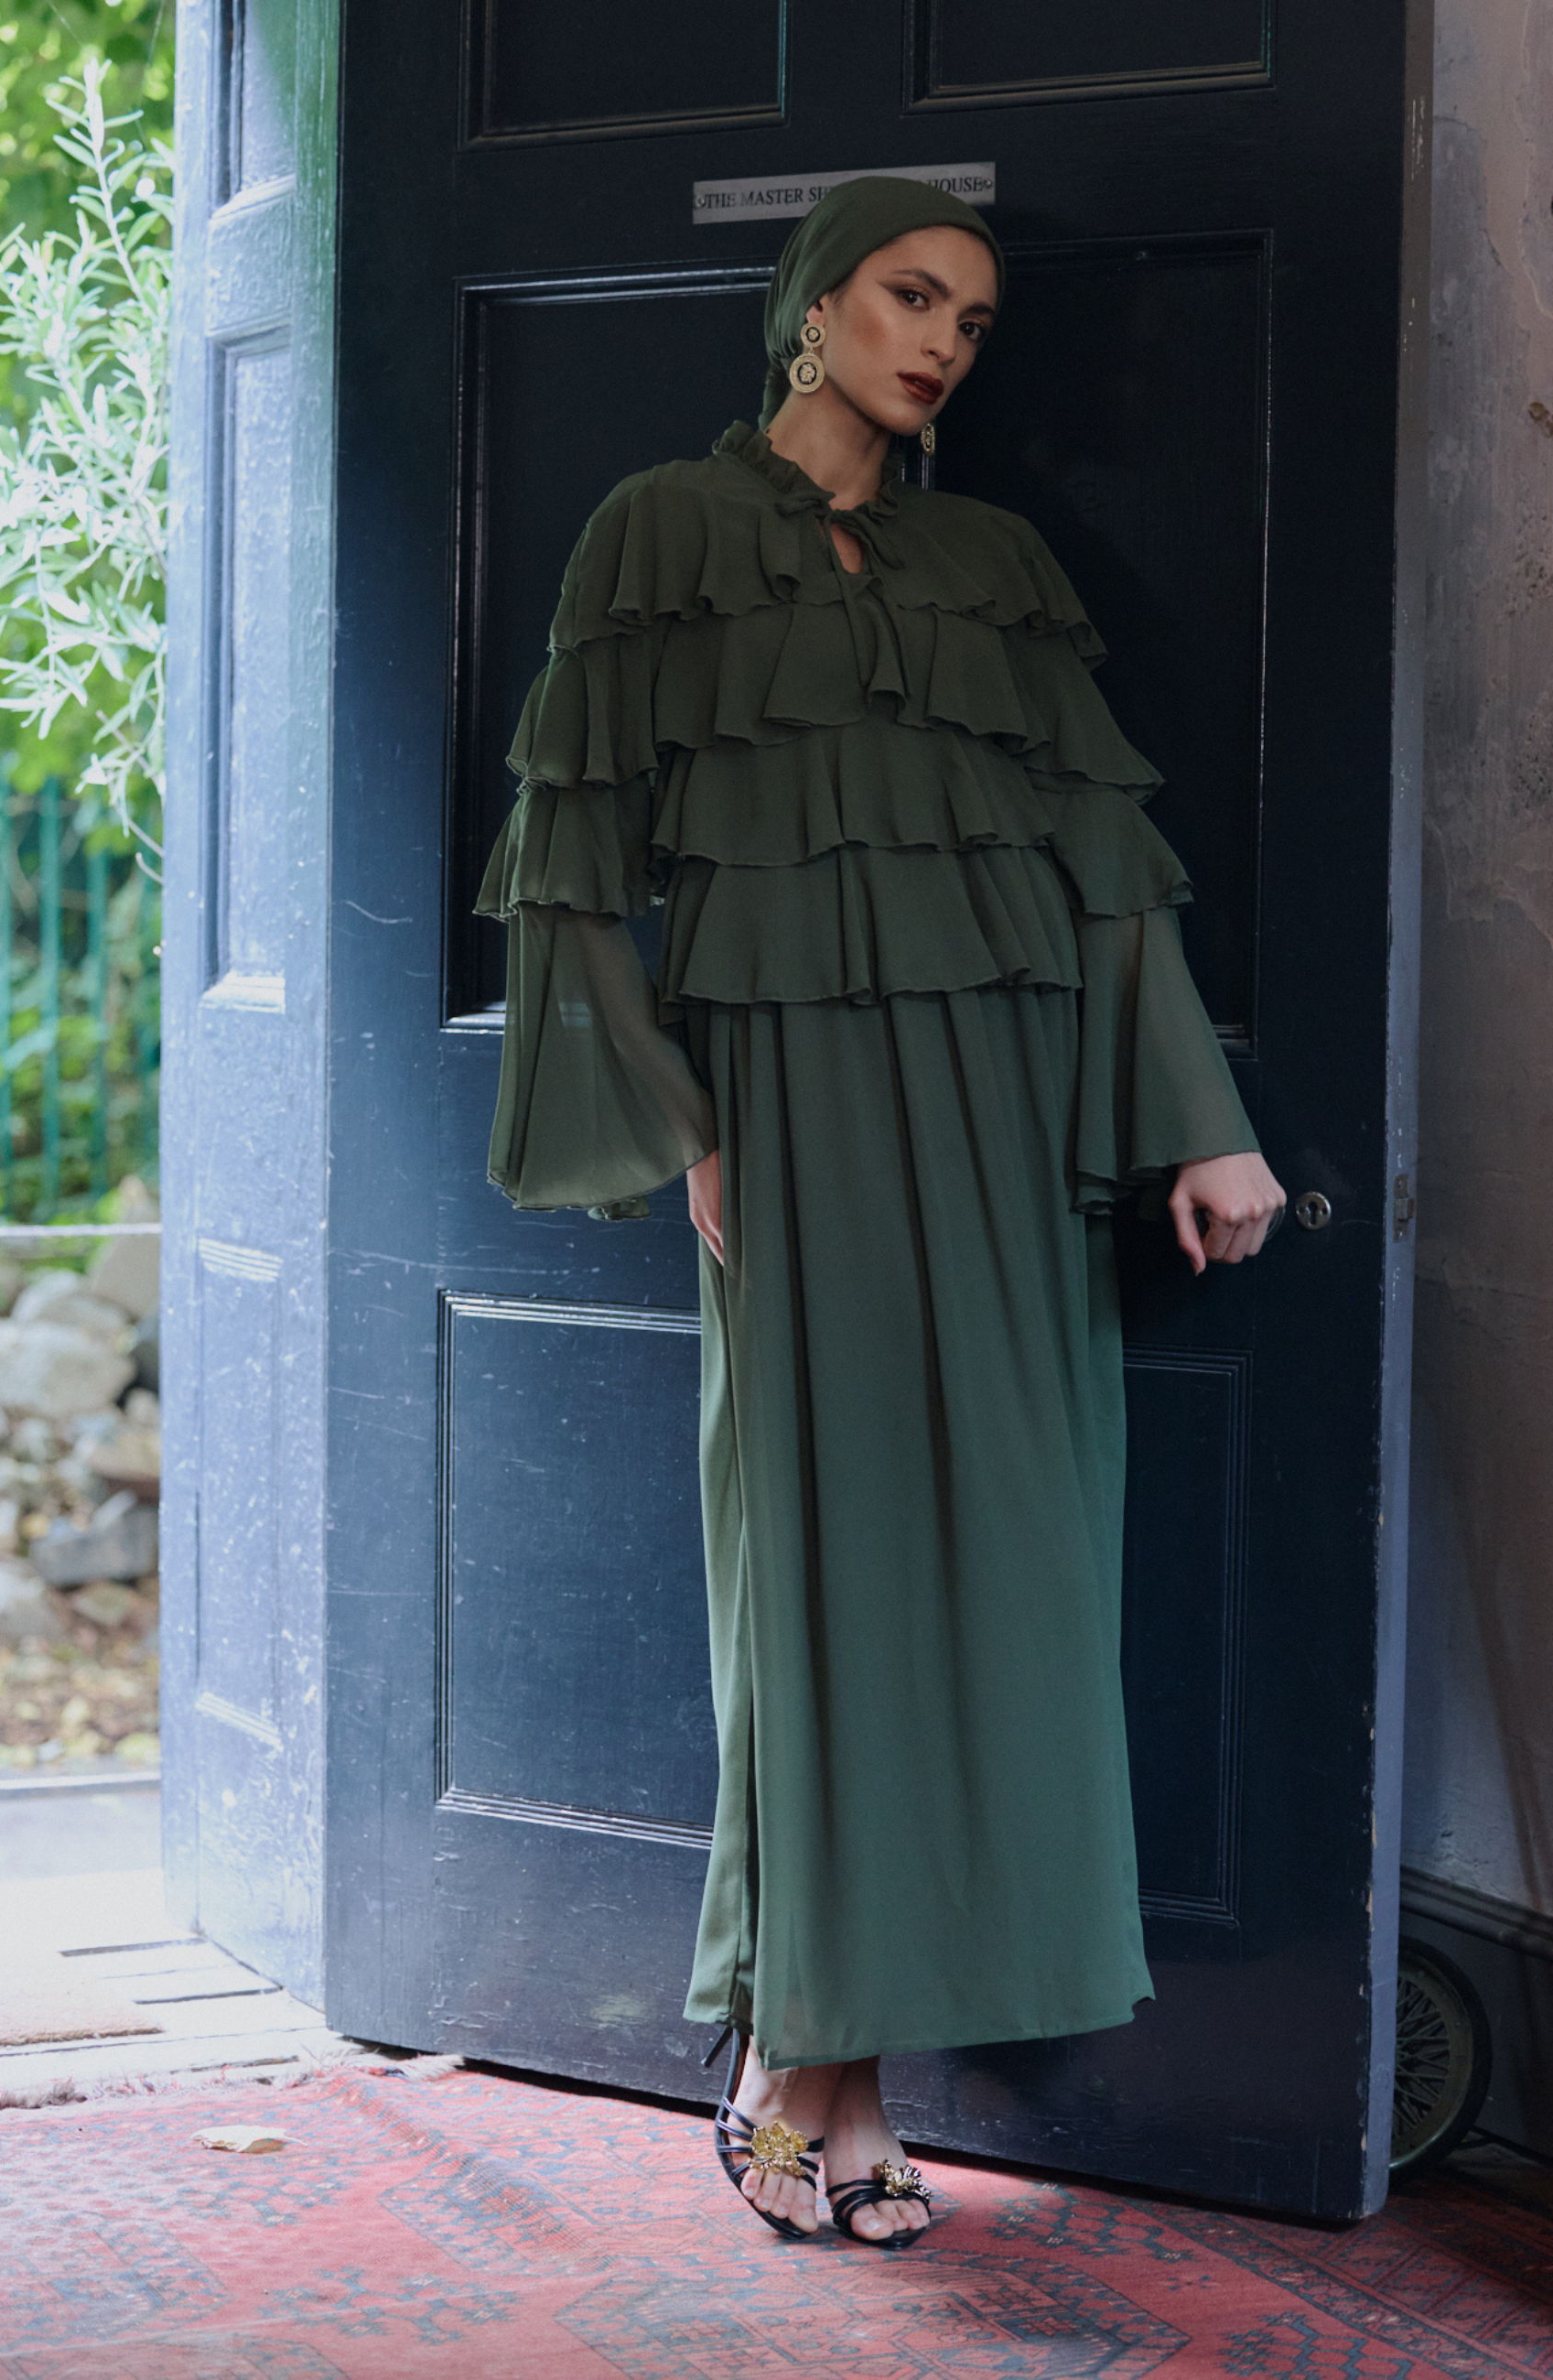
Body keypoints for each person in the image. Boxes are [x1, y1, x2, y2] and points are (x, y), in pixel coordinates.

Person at [477, 176, 1286, 2250]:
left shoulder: (996, 565)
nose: (941, 340)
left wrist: (1199, 1126)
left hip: (1019, 1113)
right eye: (911, 296)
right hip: (799, 1111)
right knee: (818, 1581)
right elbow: (566, 859)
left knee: (1004, 1587)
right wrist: (682, 1123)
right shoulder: (656, 530)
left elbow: (1113, 870)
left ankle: (820, 2075)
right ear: (813, 307)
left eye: (976, 318)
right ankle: (804, 2069)